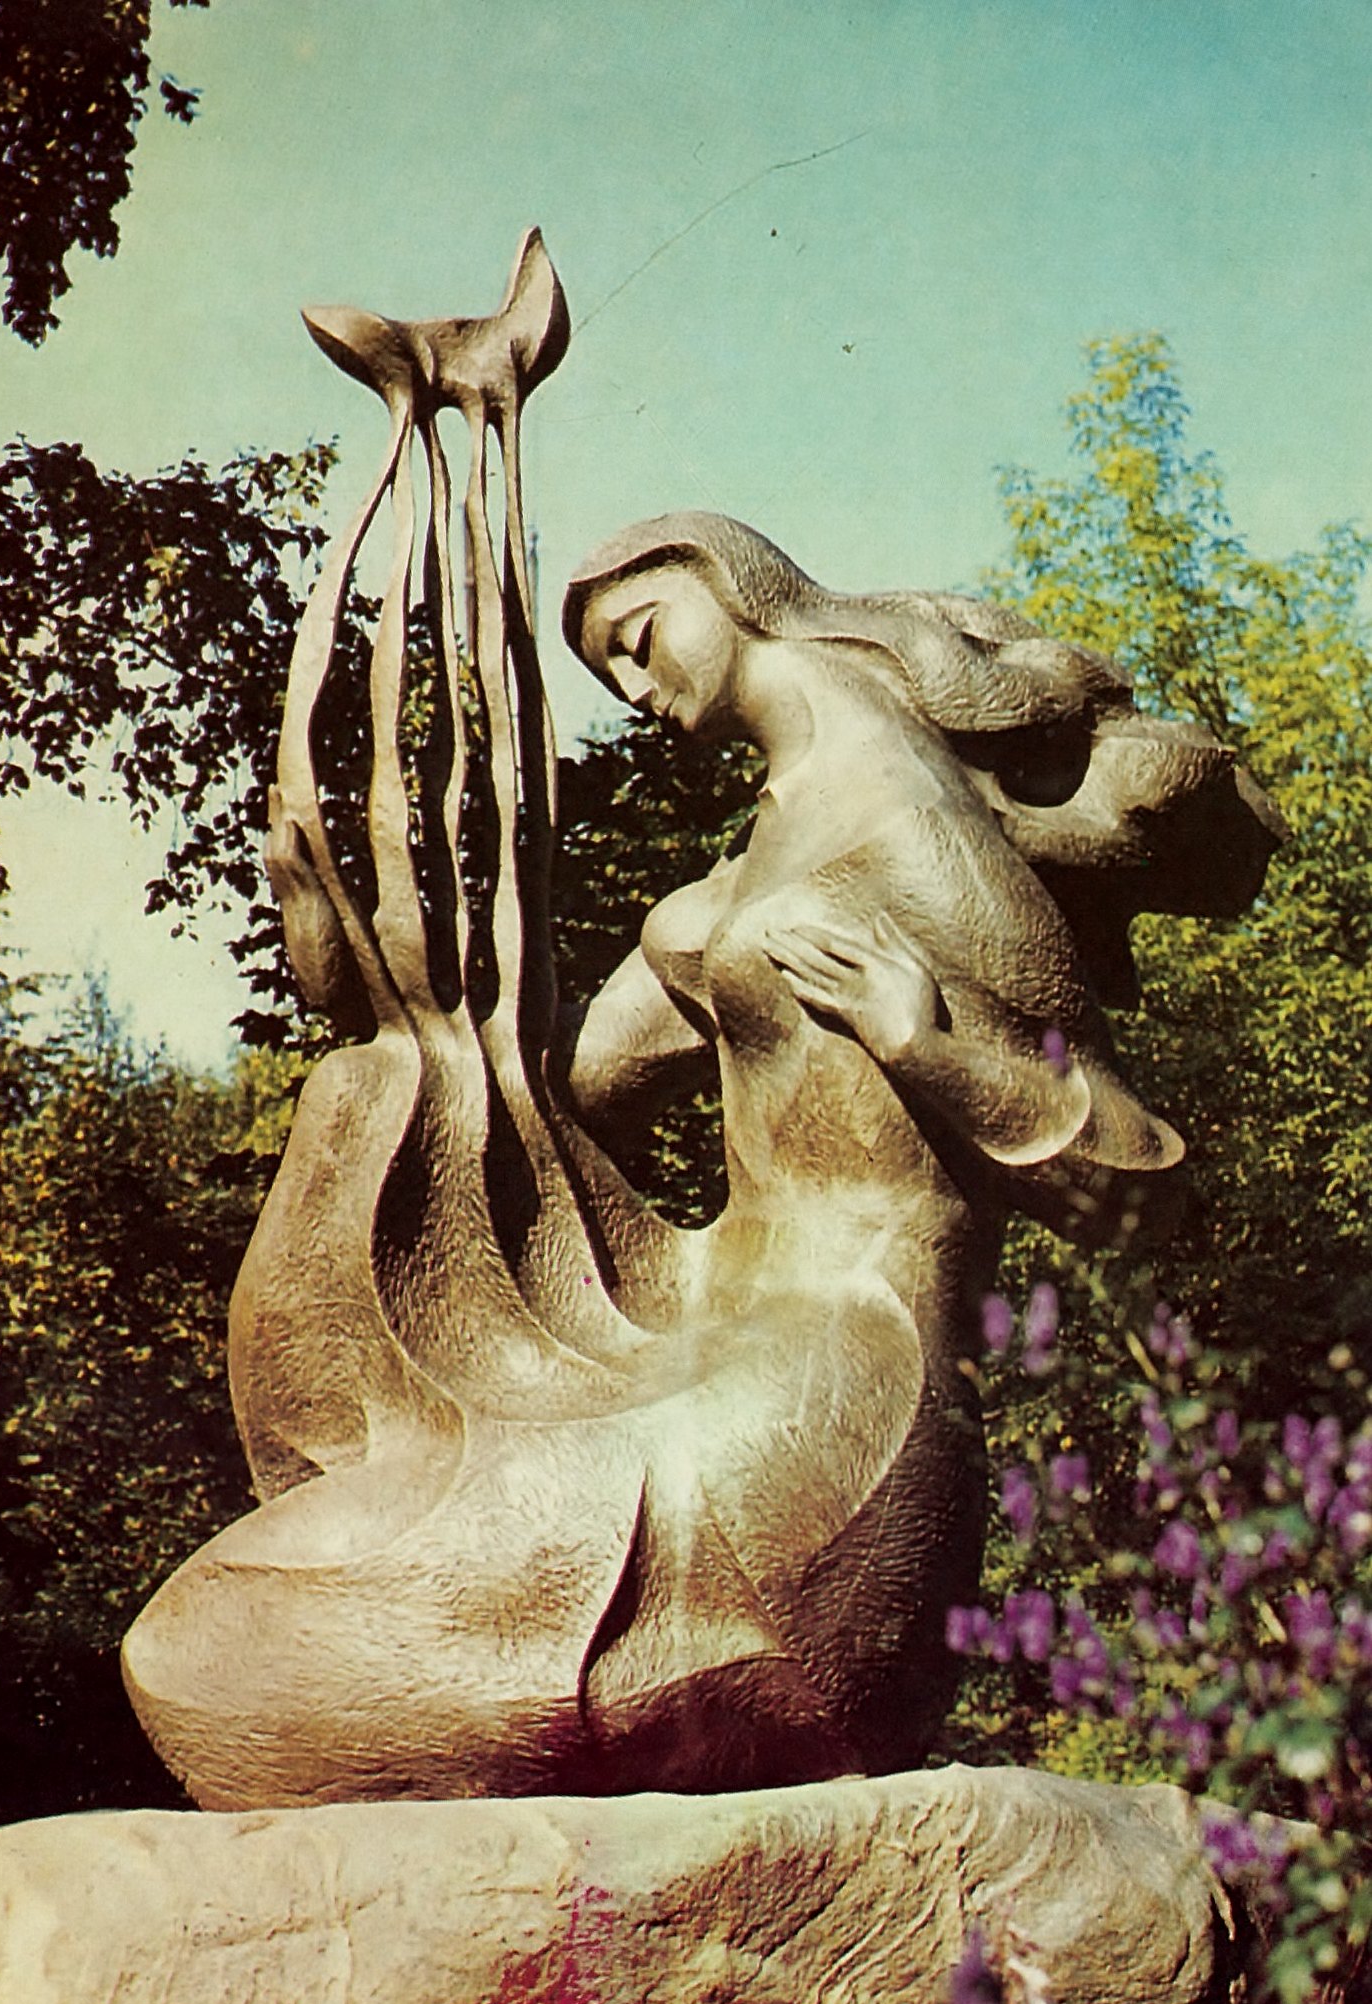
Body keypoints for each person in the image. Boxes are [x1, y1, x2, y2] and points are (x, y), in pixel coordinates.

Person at [122, 508, 1277, 1810]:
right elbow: (542, 1098)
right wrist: (358, 972)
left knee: (222, 1650)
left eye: (637, 635)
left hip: (841, 1396)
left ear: (730, 587)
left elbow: (1142, 1189)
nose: (631, 682)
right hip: (701, 1340)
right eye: (605, 668)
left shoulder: (918, 831)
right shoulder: (741, 879)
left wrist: (926, 1045)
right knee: (364, 1095)